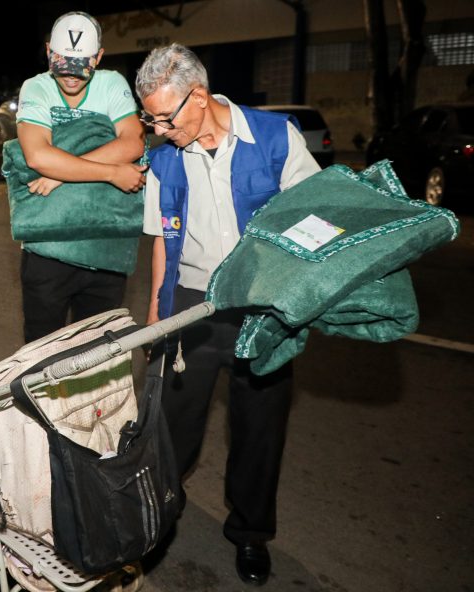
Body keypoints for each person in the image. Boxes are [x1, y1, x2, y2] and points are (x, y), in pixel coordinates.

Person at [135, 44, 320, 586]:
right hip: (192, 304)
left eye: (165, 117)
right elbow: (161, 244)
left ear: (200, 96)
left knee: (259, 427)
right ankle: (158, 521)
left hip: (262, 306)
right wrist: (155, 320)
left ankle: (251, 534)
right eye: (150, 118)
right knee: (171, 427)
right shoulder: (165, 157)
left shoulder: (274, 137)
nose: (159, 128)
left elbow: (313, 219)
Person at [15, 11, 147, 343]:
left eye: (82, 66)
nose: (72, 78)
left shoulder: (112, 82)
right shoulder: (37, 87)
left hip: (105, 247)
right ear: (48, 51)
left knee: (97, 355)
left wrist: (61, 174)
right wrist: (111, 171)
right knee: (39, 355)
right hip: (48, 247)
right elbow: (37, 156)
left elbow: (133, 142)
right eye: (63, 65)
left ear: (99, 57)